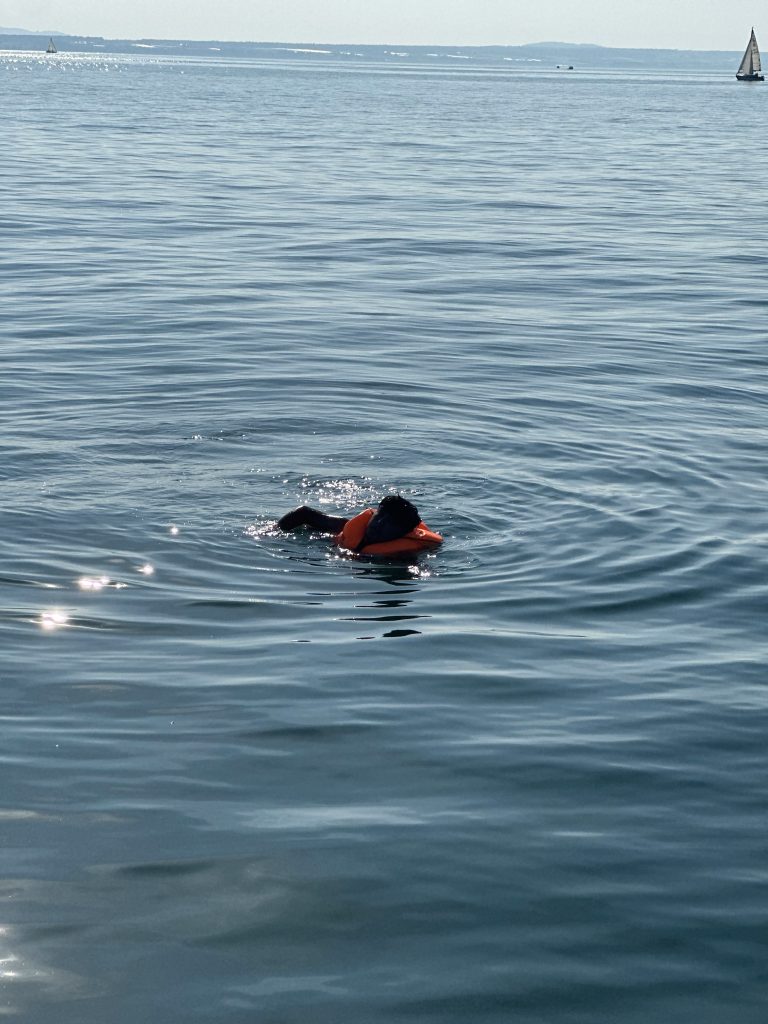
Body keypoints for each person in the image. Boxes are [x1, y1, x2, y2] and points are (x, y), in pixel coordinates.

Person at [277, 494, 443, 558]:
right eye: (379, 516)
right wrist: (273, 532)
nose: (378, 524)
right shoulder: (345, 528)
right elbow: (303, 513)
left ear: (403, 533)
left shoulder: (406, 553)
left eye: (389, 524)